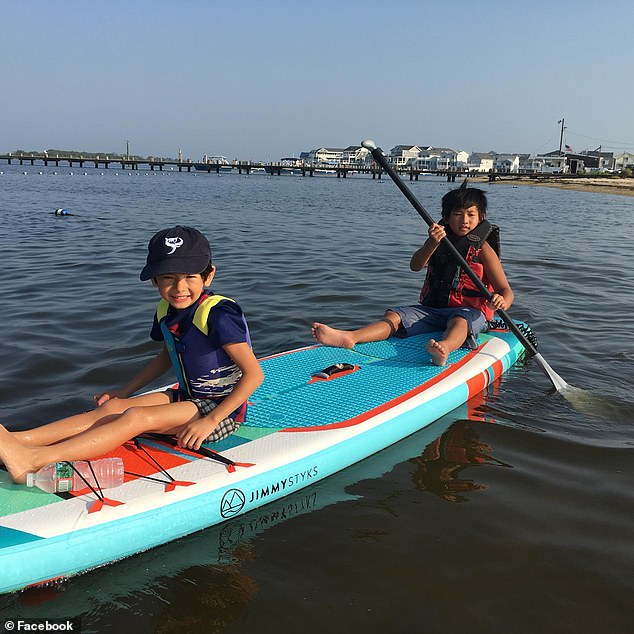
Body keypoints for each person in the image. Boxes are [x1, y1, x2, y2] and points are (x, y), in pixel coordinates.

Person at [0, 226, 264, 484]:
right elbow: (166, 356)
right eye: (168, 277)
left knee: (136, 417)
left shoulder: (220, 314)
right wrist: (124, 393)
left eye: (190, 277)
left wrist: (210, 421)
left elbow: (254, 374)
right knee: (113, 408)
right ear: (155, 280)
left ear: (208, 276)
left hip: (221, 411)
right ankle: (18, 440)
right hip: (188, 397)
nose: (179, 287)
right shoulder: (166, 310)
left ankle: (34, 458)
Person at [311, 185, 514, 366]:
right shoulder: (438, 241)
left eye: (471, 215)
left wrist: (501, 300)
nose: (465, 220)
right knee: (395, 315)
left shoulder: (484, 250)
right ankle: (351, 337)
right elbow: (415, 266)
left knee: (460, 321)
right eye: (458, 214)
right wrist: (432, 244)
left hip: (469, 313)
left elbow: (506, 290)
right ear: (446, 217)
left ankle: (443, 348)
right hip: (432, 310)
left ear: (481, 217)